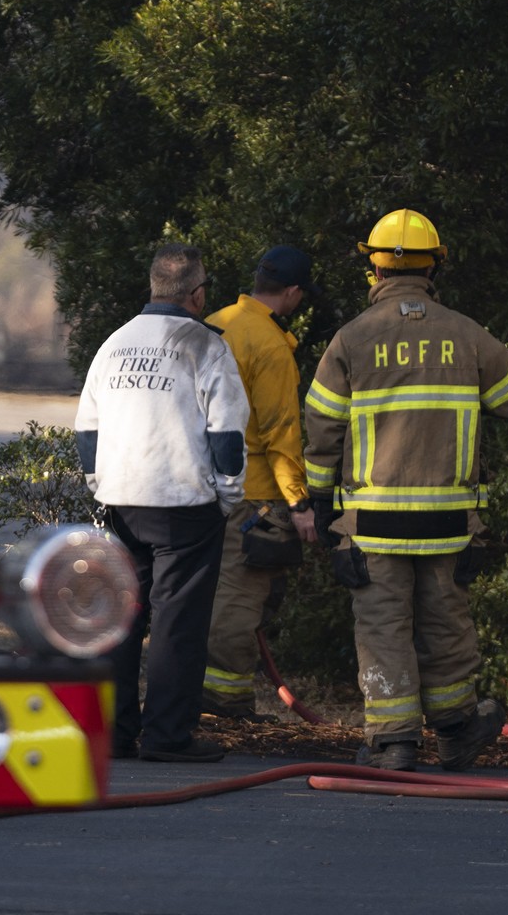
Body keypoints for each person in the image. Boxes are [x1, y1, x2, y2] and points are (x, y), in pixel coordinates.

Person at [302, 209, 508, 772]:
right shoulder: (466, 333)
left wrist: (317, 503)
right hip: (449, 521)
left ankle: (395, 743)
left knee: (383, 627)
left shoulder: (351, 339)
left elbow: (320, 428)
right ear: (435, 268)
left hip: (373, 523)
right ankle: (456, 731)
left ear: (373, 269)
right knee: (445, 623)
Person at [76, 243, 248, 763]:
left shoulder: (114, 344)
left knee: (123, 617)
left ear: (153, 287)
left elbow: (87, 429)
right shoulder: (205, 347)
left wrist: (99, 484)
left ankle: (114, 731)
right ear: (197, 294)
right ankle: (168, 736)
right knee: (178, 621)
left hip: (120, 503)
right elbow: (226, 436)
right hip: (184, 504)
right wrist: (228, 496)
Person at [200, 245, 323, 721]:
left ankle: (202, 692)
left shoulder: (214, 321)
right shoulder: (269, 346)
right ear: (292, 293)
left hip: (201, 487)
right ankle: (224, 701)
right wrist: (299, 502)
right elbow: (280, 434)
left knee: (209, 592)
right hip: (253, 495)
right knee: (240, 598)